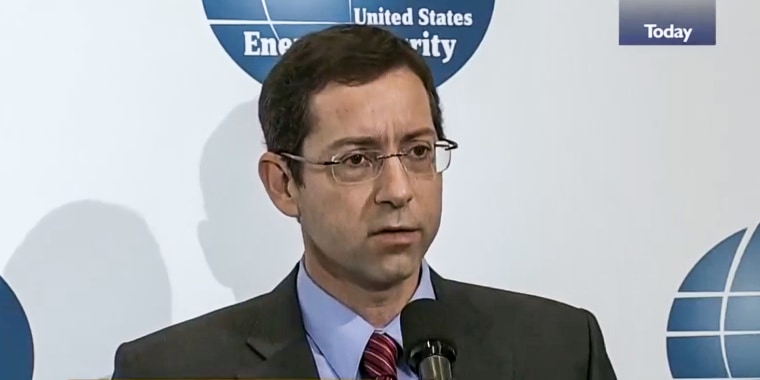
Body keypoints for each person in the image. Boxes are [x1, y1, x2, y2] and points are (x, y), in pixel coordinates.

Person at [111, 24, 617, 380]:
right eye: (356, 160)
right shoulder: (170, 369)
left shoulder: (563, 350)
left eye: (419, 151)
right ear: (284, 184)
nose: (398, 190)